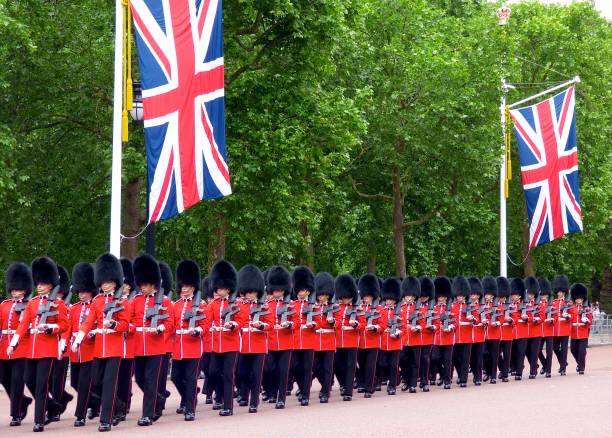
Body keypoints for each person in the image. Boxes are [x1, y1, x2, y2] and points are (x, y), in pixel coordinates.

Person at [8, 257, 69, 432]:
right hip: (31, 350)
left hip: (47, 349)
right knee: (28, 380)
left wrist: (50, 327)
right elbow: (23, 324)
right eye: (38, 283)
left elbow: (64, 325)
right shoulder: (33, 303)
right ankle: (52, 406)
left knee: (42, 385)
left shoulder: (58, 304)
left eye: (43, 284)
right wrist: (14, 342)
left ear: (51, 285)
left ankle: (39, 420)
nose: (40, 286)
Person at [72, 253, 129, 432]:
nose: (104, 285)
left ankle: (106, 419)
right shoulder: (97, 301)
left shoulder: (122, 301)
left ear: (115, 282)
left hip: (114, 348)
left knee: (109, 383)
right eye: (102, 282)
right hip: (99, 349)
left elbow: (126, 325)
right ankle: (118, 407)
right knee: (96, 382)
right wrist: (79, 339)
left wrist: (113, 324)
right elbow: (88, 322)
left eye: (108, 282)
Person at [131, 254, 173, 426]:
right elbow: (132, 319)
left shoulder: (164, 301)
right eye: (141, 284)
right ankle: (158, 399)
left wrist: (161, 328)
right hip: (139, 345)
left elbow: (170, 321)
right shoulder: (136, 300)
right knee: (140, 378)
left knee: (150, 380)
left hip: (156, 346)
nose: (143, 287)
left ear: (154, 284)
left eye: (146, 284)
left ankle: (147, 415)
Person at [205, 260, 245, 416]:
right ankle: (220, 395)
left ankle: (228, 406)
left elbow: (241, 321)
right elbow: (207, 322)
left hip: (231, 344)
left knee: (228, 374)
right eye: (218, 287)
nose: (218, 290)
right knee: (213, 372)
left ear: (228, 288)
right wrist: (210, 329)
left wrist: (233, 325)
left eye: (221, 288)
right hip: (216, 344)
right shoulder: (213, 305)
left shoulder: (236, 304)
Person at [170, 260, 205, 421]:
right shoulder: (176, 305)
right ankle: (188, 397)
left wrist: (197, 330)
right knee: (176, 377)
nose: (183, 288)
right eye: (182, 286)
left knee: (191, 378)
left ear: (193, 286)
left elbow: (205, 324)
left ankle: (190, 409)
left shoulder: (200, 305)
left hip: (193, 346)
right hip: (178, 346)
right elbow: (171, 324)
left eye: (186, 286)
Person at [0, 262, 34, 426]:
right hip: (4, 347)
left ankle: (16, 414)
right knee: (4, 378)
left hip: (22, 347)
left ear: (25, 289)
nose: (15, 292)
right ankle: (23, 401)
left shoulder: (30, 305)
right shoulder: (4, 305)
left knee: (16, 380)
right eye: (13, 289)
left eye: (18, 289)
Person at [235, 264, 272, 413]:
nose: (250, 295)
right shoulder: (239, 305)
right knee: (241, 373)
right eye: (247, 292)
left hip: (259, 344)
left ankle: (254, 402)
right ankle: (244, 393)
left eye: (252, 292)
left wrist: (261, 325)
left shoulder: (264, 306)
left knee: (257, 374)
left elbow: (270, 323)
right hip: (244, 344)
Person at [66, 263, 97, 427]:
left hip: (90, 351)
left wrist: (93, 333)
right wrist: (64, 343)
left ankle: (80, 415)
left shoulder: (96, 306)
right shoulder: (74, 309)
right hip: (75, 352)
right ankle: (97, 402)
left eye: (85, 291)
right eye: (80, 291)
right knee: (75, 383)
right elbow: (68, 328)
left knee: (84, 384)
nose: (82, 294)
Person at [261, 266, 294, 409]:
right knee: (268, 369)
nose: (277, 292)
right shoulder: (266, 305)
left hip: (286, 342)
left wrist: (289, 324)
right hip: (271, 342)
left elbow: (297, 321)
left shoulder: (290, 304)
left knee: (283, 371)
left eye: (280, 290)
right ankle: (272, 392)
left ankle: (281, 398)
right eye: (275, 290)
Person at [289, 266, 317, 406]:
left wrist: (313, 325)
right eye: (299, 290)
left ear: (308, 291)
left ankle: (305, 394)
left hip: (308, 341)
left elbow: (319, 322)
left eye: (304, 290)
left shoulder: (314, 305)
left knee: (307, 368)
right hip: (294, 341)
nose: (301, 293)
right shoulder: (291, 305)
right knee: (294, 367)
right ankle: (301, 387)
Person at [49, 266, 73, 422]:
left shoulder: (67, 308)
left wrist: (62, 344)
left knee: (58, 379)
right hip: (46, 347)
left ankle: (55, 408)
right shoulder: (45, 306)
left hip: (62, 348)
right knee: (48, 379)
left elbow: (67, 328)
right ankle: (63, 397)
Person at [333, 274, 362, 401]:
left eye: (347, 297)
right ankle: (343, 385)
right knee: (338, 365)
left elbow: (362, 325)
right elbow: (336, 322)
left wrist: (355, 324)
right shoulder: (336, 308)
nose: (345, 299)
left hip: (352, 340)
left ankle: (348, 391)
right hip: (339, 341)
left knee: (350, 366)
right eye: (343, 297)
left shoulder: (357, 308)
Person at [355, 274, 382, 398]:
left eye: (367, 296)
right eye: (364, 296)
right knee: (362, 364)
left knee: (371, 365)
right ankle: (363, 383)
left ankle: (369, 387)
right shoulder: (358, 309)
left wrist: (375, 328)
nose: (365, 298)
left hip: (373, 341)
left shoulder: (379, 309)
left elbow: (382, 324)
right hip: (361, 342)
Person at [312, 272, 336, 403]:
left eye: (324, 295)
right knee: (315, 367)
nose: (322, 297)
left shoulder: (333, 307)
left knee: (327, 367)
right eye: (320, 295)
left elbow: (337, 323)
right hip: (316, 340)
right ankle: (325, 385)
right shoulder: (313, 308)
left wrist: (333, 322)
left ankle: (325, 391)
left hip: (329, 340)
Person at [157, 262, 175, 418]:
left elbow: (170, 325)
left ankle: (159, 401)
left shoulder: (167, 302)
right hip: (149, 344)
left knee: (161, 376)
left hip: (165, 344)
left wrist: (162, 332)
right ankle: (159, 396)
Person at [378, 278, 402, 395]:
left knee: (393, 365)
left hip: (395, 342)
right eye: (387, 299)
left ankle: (392, 386)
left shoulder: (400, 312)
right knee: (383, 364)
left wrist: (397, 333)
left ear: (395, 300)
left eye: (390, 299)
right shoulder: (381, 310)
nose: (388, 301)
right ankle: (394, 379)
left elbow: (404, 327)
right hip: (383, 342)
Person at [432, 276, 455, 389]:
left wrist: (450, 327)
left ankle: (447, 380)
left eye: (443, 296)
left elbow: (455, 322)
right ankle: (442, 375)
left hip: (448, 338)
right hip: (437, 338)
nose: (441, 298)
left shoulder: (450, 308)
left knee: (447, 360)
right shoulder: (434, 309)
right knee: (435, 358)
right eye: (439, 296)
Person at [451, 277, 474, 388]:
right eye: (458, 296)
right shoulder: (452, 306)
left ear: (465, 295)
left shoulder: (470, 306)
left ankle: (463, 379)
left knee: (465, 358)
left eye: (461, 295)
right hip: (455, 336)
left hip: (467, 335)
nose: (459, 297)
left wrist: (472, 319)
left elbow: (477, 319)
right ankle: (460, 374)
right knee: (455, 357)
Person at [399, 276, 421, 393]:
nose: (410, 298)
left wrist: (417, 327)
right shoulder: (400, 308)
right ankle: (406, 380)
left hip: (415, 339)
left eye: (412, 296)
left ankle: (412, 384)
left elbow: (422, 323)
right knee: (403, 360)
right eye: (408, 296)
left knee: (414, 362)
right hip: (403, 339)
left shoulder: (418, 309)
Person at [568, 283, 592, 374]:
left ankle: (581, 368)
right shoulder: (572, 308)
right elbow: (570, 319)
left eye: (580, 298)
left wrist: (586, 321)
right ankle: (580, 363)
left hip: (583, 333)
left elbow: (590, 321)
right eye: (577, 298)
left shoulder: (587, 309)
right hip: (574, 333)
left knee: (582, 351)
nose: (579, 300)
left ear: (583, 299)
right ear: (575, 299)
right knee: (573, 350)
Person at [481, 276, 501, 384]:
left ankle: (493, 375)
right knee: (484, 354)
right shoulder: (482, 305)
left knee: (494, 355)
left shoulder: (497, 305)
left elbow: (501, 318)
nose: (487, 296)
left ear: (492, 295)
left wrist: (497, 322)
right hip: (484, 334)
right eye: (486, 294)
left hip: (494, 333)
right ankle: (487, 372)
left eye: (489, 294)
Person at [508, 278, 529, 380]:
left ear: (520, 295)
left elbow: (530, 317)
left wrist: (526, 318)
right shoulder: (509, 305)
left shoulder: (524, 305)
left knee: (521, 352)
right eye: (512, 295)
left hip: (522, 332)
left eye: (515, 295)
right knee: (513, 352)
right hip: (512, 332)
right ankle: (514, 368)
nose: (513, 296)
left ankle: (519, 373)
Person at [552, 275, 572, 376]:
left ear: (564, 292)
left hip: (564, 328)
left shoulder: (569, 302)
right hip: (556, 328)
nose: (559, 293)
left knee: (564, 349)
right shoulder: (554, 302)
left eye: (560, 292)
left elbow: (573, 314)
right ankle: (563, 362)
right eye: (558, 292)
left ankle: (563, 368)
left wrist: (568, 316)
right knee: (555, 348)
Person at [418, 277, 435, 392]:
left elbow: (437, 322)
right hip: (417, 337)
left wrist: (433, 327)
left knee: (425, 359)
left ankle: (425, 382)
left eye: (425, 296)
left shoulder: (432, 307)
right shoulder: (415, 307)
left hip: (428, 337)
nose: (423, 297)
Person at [467, 277, 485, 385]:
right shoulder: (467, 306)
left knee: (478, 357)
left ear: (478, 295)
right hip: (469, 335)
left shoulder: (481, 306)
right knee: (471, 358)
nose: (472, 296)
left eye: (474, 294)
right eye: (471, 293)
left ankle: (478, 377)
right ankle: (475, 373)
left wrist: (480, 321)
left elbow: (484, 318)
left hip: (479, 334)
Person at [524, 277, 542, 379]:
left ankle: (533, 371)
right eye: (528, 294)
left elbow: (542, 317)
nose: (529, 295)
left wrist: (535, 319)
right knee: (526, 351)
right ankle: (534, 365)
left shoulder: (538, 304)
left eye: (531, 294)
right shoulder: (524, 304)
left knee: (534, 352)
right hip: (527, 331)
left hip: (535, 331)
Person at [537, 277, 554, 378]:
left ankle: (548, 371)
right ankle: (545, 364)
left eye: (544, 294)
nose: (543, 296)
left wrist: (552, 320)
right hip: (540, 330)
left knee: (549, 351)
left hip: (549, 330)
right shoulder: (537, 305)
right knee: (537, 350)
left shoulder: (551, 304)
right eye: (542, 294)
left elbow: (555, 316)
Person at [497, 277, 513, 382]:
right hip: (498, 333)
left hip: (507, 333)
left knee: (507, 355)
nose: (502, 298)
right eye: (500, 297)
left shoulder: (510, 306)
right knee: (496, 354)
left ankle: (505, 374)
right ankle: (502, 370)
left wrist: (511, 320)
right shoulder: (495, 306)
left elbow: (515, 318)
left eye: (503, 297)